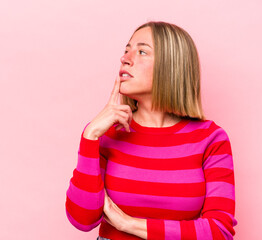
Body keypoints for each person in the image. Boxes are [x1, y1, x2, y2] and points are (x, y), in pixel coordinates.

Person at [65, 21, 237, 239]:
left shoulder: (211, 139)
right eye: (126, 50)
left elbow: (219, 231)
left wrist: (127, 224)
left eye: (142, 51)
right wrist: (89, 136)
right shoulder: (107, 134)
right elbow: (82, 219)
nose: (125, 58)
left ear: (171, 66)